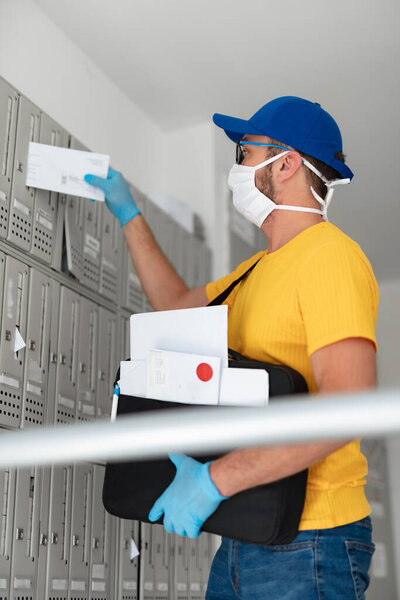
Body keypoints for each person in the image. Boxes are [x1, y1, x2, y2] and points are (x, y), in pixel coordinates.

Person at [85, 96, 378, 599]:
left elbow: (348, 409)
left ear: (284, 164)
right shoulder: (257, 269)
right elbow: (176, 306)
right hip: (251, 528)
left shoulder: (331, 257)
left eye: (245, 151)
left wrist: (213, 482)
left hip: (312, 540)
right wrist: (128, 212)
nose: (237, 166)